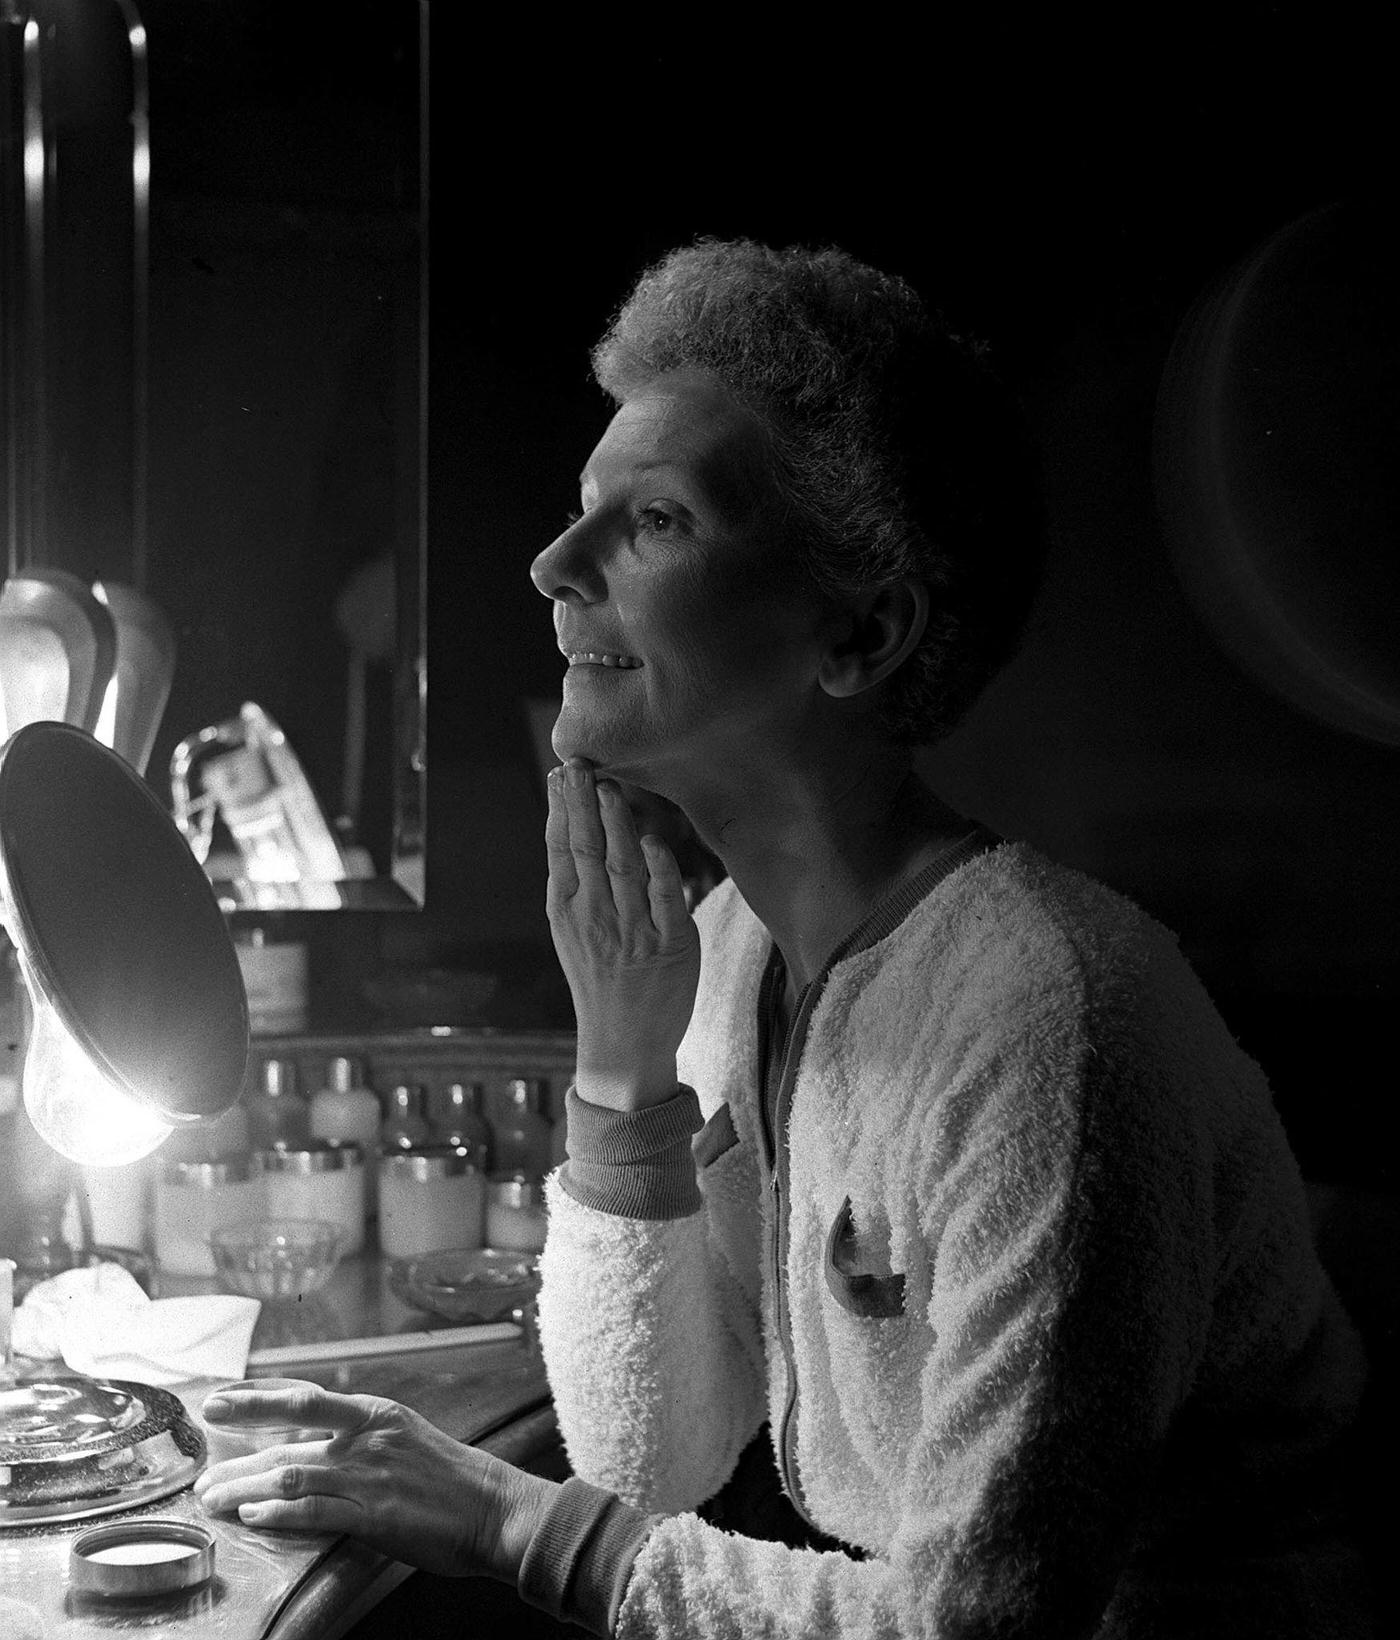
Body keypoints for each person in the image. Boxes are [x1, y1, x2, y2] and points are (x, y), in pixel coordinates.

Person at [195, 238, 1373, 1638]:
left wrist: (508, 1518)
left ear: (861, 632)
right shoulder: (730, 951)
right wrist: (622, 1062)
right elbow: (655, 1458)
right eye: (585, 511)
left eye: (659, 521)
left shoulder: (1054, 1022)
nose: (551, 565)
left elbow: (980, 1625)